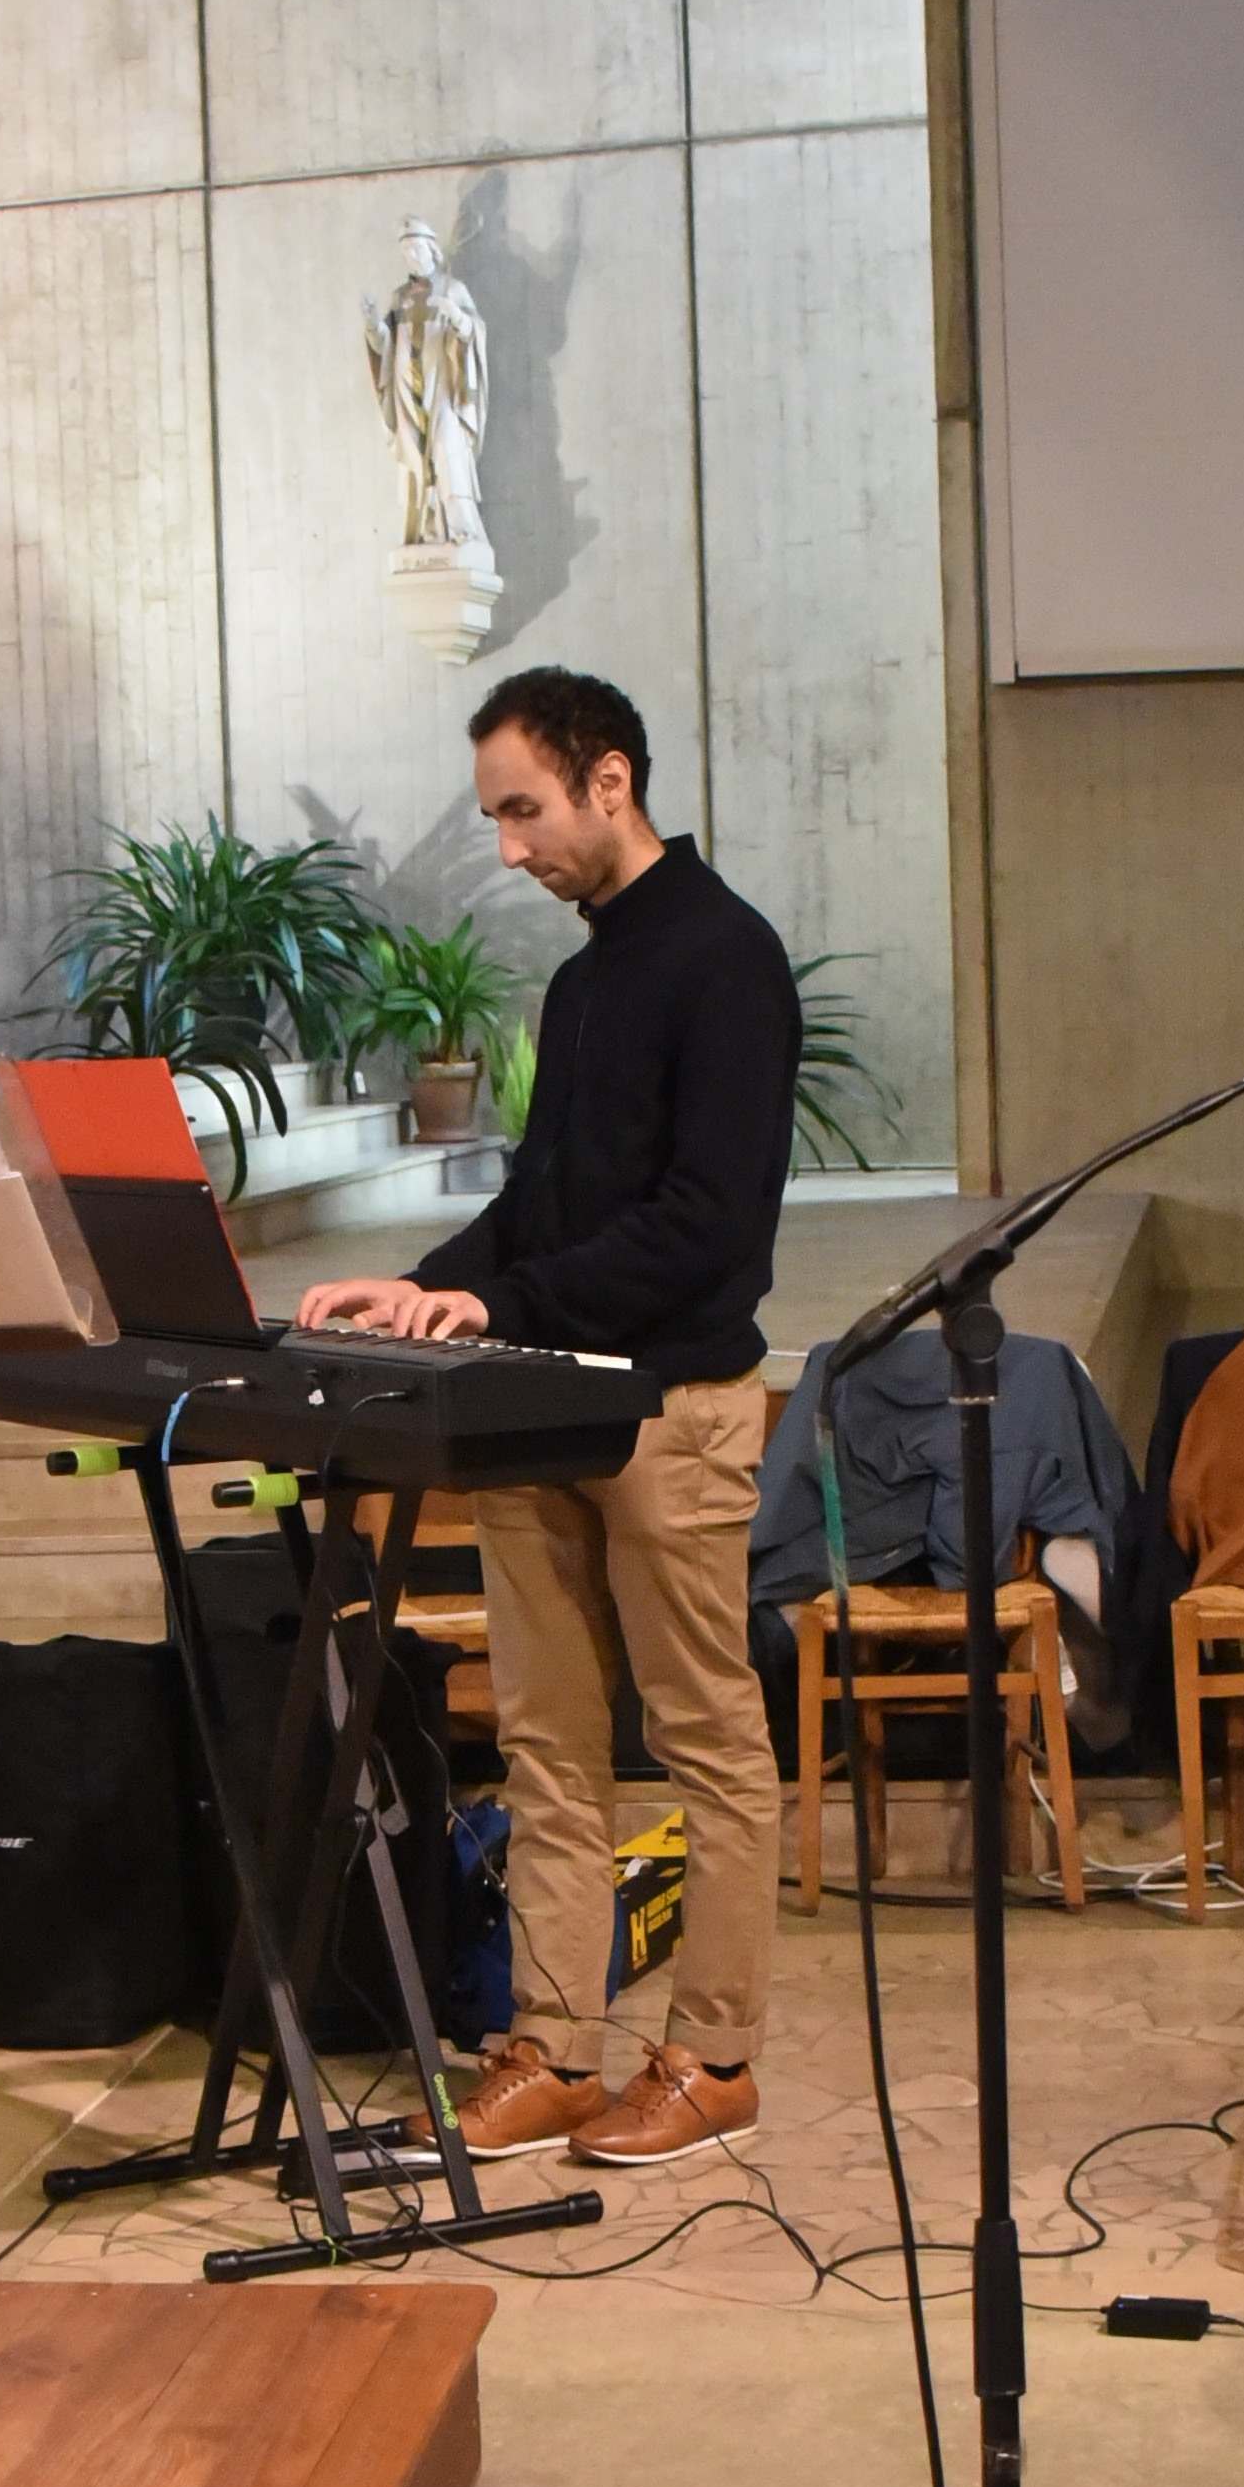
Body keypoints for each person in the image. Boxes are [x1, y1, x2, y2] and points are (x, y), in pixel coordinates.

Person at [295, 667, 797, 2164]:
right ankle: (556, 2051)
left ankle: (714, 2058)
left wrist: (499, 1305)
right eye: (497, 818)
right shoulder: (585, 983)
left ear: (609, 780)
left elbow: (707, 1227)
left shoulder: (725, 958)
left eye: (524, 811)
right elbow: (538, 1206)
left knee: (707, 1744)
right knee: (548, 1746)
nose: (510, 847)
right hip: (540, 1411)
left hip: (670, 1411)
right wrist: (422, 1287)